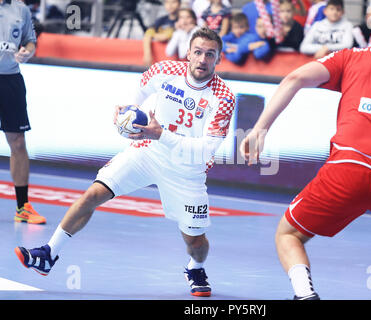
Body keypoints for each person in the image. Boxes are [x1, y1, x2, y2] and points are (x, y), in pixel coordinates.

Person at [240, 9, 371, 300]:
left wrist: (260, 129)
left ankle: (305, 295)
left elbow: (295, 78)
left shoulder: (354, 57)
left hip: (347, 168)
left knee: (288, 234)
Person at [15, 27, 236, 298]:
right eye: (198, 52)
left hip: (186, 170)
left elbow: (204, 151)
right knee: (93, 194)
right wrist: (128, 110)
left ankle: (196, 267)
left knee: (195, 241)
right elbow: (140, 88)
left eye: (210, 55)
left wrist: (161, 133)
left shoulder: (223, 98)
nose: (203, 59)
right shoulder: (164, 70)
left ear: (219, 59)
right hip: (147, 151)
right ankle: (49, 254)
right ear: (188, 53)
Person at [0, 0, 46, 224]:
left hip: (11, 80)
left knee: (18, 142)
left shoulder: (21, 9)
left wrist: (27, 52)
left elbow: (30, 41)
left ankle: (22, 208)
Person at [142, 0, 181, 67]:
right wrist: (147, 55)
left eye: (173, 2)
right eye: (167, 2)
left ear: (179, 4)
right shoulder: (161, 20)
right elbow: (148, 34)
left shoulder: (183, 19)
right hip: (159, 60)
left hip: (175, 61)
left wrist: (156, 35)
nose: (170, 5)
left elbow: (164, 37)